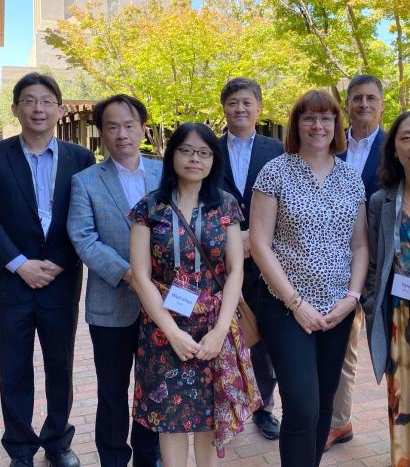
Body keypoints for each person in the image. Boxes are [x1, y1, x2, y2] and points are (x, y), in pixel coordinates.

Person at [129, 122, 261, 467]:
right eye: (186, 150)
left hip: (213, 328)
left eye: (203, 153)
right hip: (162, 328)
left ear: (213, 160)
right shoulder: (149, 207)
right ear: (171, 154)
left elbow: (235, 272)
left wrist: (219, 332)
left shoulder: (226, 205)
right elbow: (141, 276)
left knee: (210, 418)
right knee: (170, 422)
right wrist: (171, 333)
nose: (194, 159)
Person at [250, 90, 368, 467]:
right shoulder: (275, 171)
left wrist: (352, 297)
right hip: (286, 309)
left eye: (327, 118)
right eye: (309, 118)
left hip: (337, 310)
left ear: (337, 125)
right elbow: (260, 244)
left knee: (321, 405)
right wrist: (295, 303)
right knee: (302, 405)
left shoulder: (351, 178)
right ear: (296, 124)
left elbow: (361, 245)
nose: (318, 125)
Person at [0, 73, 95, 467]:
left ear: (59, 108)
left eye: (45, 101)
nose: (38, 108)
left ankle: (57, 442)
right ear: (15, 108)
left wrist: (60, 262)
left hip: (60, 280)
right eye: (29, 100)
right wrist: (19, 264)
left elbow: (86, 217)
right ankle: (20, 448)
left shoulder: (81, 159)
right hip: (10, 282)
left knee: (60, 366)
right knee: (13, 369)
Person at [67, 95, 162, 467]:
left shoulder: (164, 173)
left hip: (165, 304)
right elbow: (83, 237)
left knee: (153, 386)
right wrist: (131, 276)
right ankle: (113, 458)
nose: (121, 134)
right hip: (111, 303)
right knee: (112, 390)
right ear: (101, 132)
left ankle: (148, 456)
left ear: (142, 127)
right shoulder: (85, 181)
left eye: (128, 125)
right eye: (112, 126)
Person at [219, 77, 283, 439]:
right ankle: (223, 403)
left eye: (247, 103)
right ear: (224, 108)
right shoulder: (209, 149)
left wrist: (254, 239)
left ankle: (263, 406)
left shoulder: (277, 150)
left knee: (264, 336)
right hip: (219, 260)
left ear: (258, 107)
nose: (240, 109)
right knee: (223, 331)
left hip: (266, 258)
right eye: (233, 103)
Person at [326, 74, 385, 451]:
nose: (363, 105)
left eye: (370, 98)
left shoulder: (395, 146)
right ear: (346, 104)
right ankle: (338, 422)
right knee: (341, 348)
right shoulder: (331, 146)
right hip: (338, 264)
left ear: (382, 103)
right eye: (356, 99)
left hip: (387, 269)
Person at [364, 111, 410, 467]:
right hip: (399, 314)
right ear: (394, 148)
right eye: (406, 137)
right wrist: (369, 305)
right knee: (402, 398)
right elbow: (376, 264)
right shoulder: (381, 201)